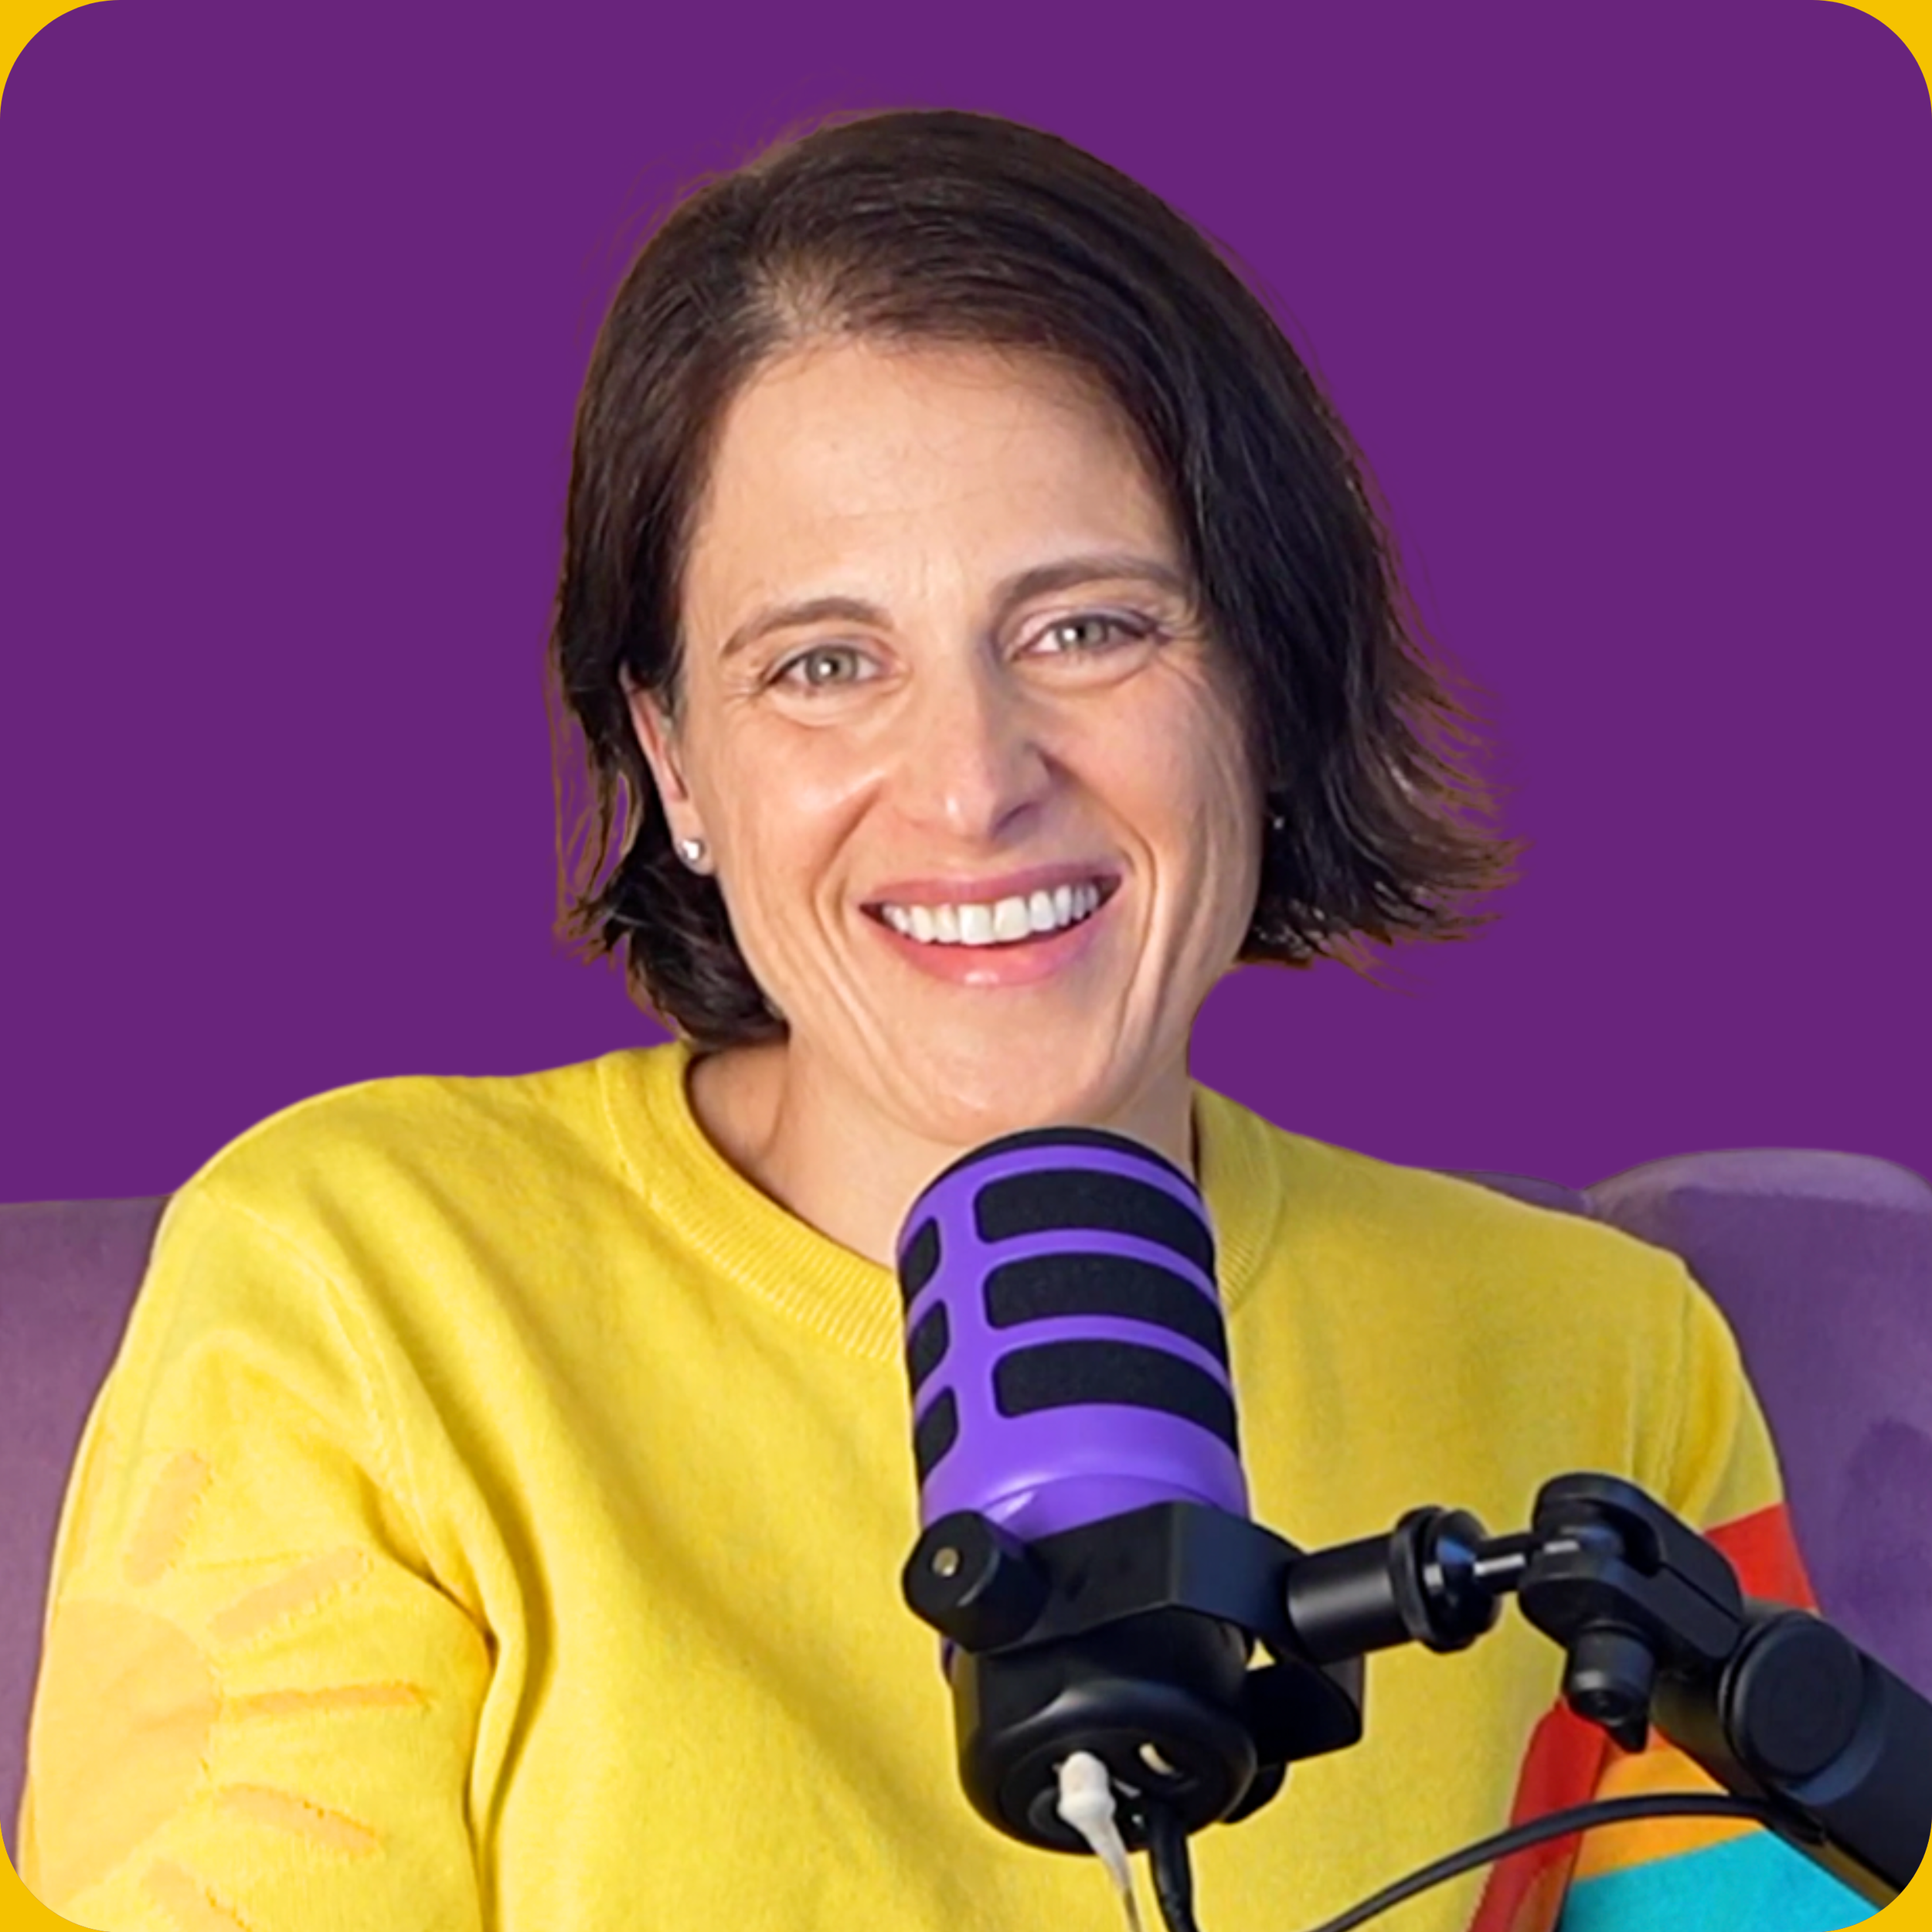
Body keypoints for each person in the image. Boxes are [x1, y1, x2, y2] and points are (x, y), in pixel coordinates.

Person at [15, 107, 1868, 1932]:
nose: (972, 780)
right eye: (823, 664)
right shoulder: (364, 1281)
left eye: (1086, 628)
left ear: (1265, 686)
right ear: (674, 760)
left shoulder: (1596, 1351)